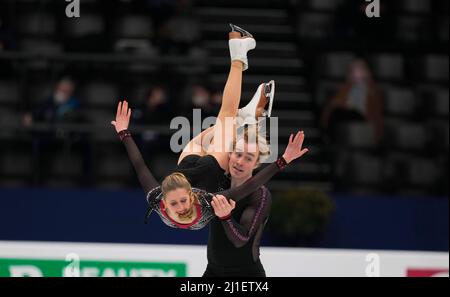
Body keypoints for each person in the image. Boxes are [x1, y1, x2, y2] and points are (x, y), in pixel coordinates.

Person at [204, 127, 307, 277]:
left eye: (249, 158)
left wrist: (226, 217)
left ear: (256, 163)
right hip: (212, 272)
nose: (240, 162)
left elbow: (241, 239)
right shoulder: (218, 184)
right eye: (238, 154)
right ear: (230, 154)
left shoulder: (260, 195)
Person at [320, 58, 384, 143]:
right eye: (353, 70)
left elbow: (374, 111)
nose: (356, 73)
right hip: (347, 113)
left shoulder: (372, 89)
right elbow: (336, 103)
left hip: (362, 116)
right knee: (335, 113)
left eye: (360, 70)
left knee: (338, 113)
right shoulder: (346, 88)